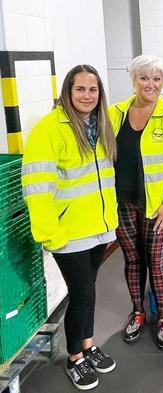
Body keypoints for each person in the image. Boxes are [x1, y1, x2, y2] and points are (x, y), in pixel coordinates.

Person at [22, 65, 117, 390]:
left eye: (93, 90)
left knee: (88, 292)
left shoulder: (100, 125)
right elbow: (36, 186)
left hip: (98, 228)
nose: (87, 95)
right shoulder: (49, 129)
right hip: (69, 234)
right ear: (67, 91)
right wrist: (53, 235)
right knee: (81, 295)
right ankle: (74, 358)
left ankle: (88, 346)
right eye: (80, 89)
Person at [109, 55, 163, 350]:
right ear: (133, 80)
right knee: (133, 262)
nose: (151, 84)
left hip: (159, 208)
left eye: (157, 79)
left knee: (158, 265)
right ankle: (137, 312)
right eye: (144, 78)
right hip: (122, 204)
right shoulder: (114, 113)